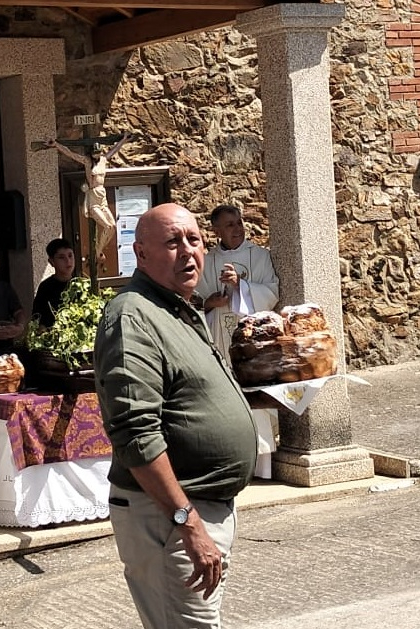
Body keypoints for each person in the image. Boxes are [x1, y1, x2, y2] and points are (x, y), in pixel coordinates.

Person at [93, 204, 258, 629]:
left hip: (196, 509)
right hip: (170, 517)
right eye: (172, 242)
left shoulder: (178, 307)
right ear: (140, 254)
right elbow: (135, 432)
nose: (187, 251)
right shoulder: (132, 316)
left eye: (194, 239)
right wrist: (187, 521)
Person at [196, 204, 280, 478]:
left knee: (255, 395)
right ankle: (232, 459)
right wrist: (210, 303)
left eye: (239, 222)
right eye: (229, 225)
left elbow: (272, 292)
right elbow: (195, 300)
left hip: (253, 341)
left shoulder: (260, 256)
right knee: (225, 398)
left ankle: (262, 466)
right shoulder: (207, 262)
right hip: (221, 339)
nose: (237, 228)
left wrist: (240, 287)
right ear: (216, 230)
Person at [41, 135, 128, 253]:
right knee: (107, 226)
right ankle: (98, 251)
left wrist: (124, 139)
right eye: (95, 153)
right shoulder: (87, 162)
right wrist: (56, 145)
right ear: (91, 153)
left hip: (102, 195)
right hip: (93, 196)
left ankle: (100, 249)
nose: (97, 155)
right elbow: (71, 154)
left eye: (98, 153)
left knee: (112, 227)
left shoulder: (103, 160)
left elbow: (115, 149)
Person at [31, 238, 77, 328]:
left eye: (70, 256)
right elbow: (37, 318)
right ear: (51, 262)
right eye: (61, 257)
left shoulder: (81, 285)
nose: (68, 261)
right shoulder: (45, 288)